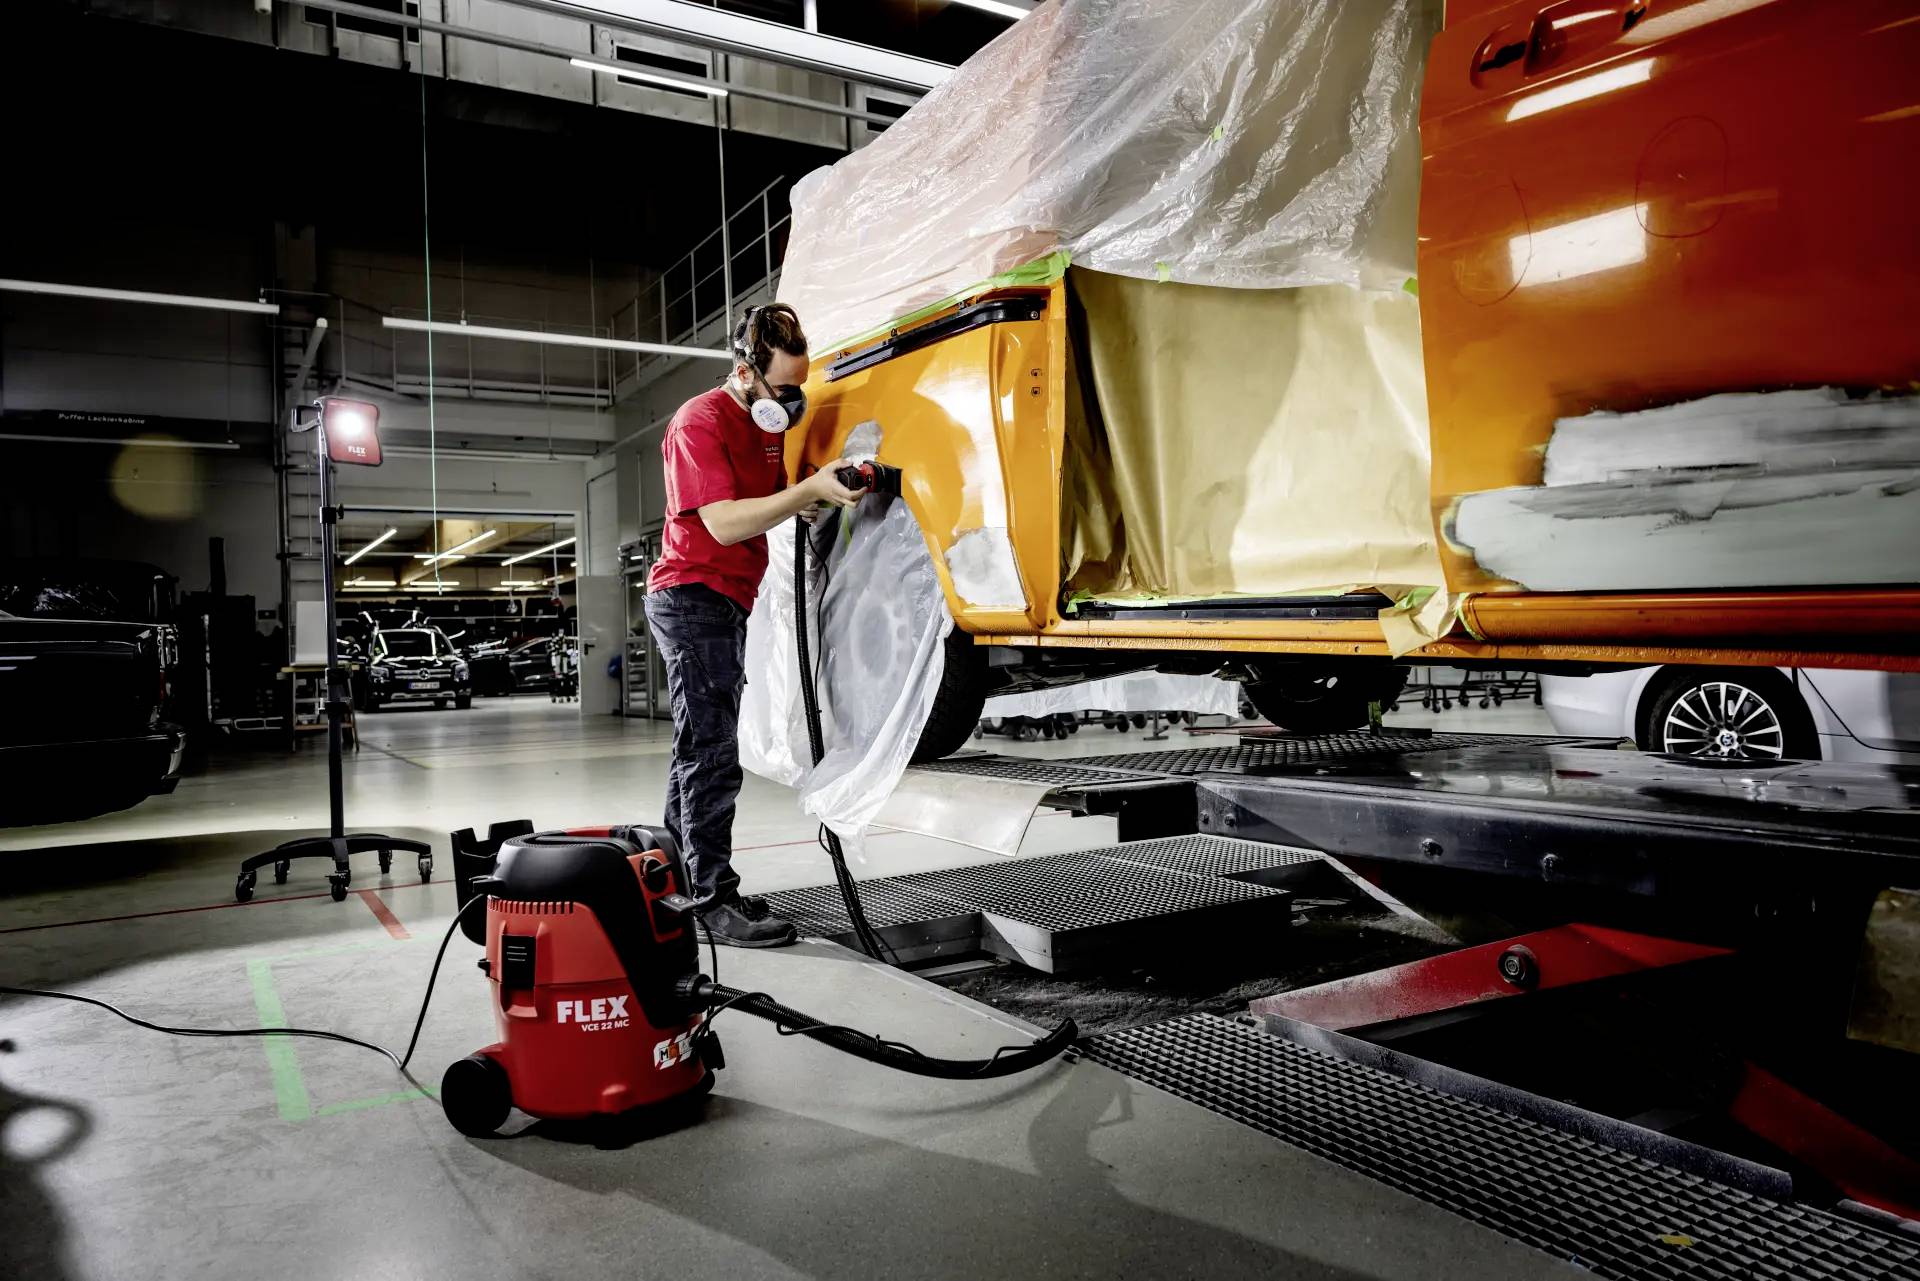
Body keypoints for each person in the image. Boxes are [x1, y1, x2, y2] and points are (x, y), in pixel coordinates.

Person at [646, 303, 859, 947]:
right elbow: (726, 523)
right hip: (690, 595)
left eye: (801, 388)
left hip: (726, 598)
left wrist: (816, 501)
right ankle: (712, 901)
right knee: (711, 753)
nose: (794, 402)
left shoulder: (768, 430)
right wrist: (807, 491)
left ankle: (676, 881)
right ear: (745, 373)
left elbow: (773, 503)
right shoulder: (699, 420)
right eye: (786, 389)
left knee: (697, 745)